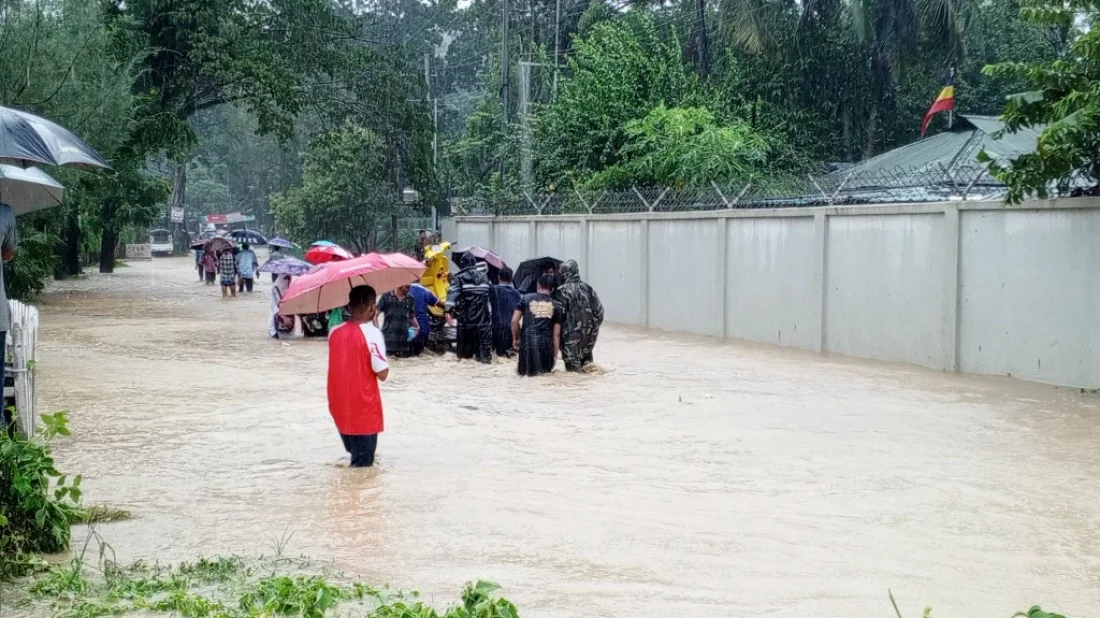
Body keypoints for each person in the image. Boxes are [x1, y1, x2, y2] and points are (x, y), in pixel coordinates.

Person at [327, 285, 390, 468]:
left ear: (349, 306)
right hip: (363, 412)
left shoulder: (334, 332)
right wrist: (377, 332)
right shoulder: (373, 334)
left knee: (355, 461)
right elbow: (383, 373)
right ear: (372, 308)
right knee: (362, 471)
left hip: (341, 409)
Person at [554, 259, 604, 372]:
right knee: (588, 371)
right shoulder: (589, 289)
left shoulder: (561, 291)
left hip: (570, 343)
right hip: (589, 341)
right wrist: (592, 330)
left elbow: (557, 317)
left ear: (565, 273)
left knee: (572, 378)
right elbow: (600, 313)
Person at [445, 253, 492, 363]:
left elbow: (452, 295)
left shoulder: (459, 278)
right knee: (485, 358)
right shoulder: (485, 277)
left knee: (465, 358)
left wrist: (447, 310)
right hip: (484, 323)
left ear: (462, 264)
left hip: (467, 322)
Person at [512, 274, 561, 377]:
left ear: (538, 285)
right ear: (551, 289)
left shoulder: (525, 299)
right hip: (546, 348)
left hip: (527, 345)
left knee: (524, 377)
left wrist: (515, 339)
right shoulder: (556, 306)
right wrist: (555, 356)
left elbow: (514, 322)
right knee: (544, 379)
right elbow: (556, 335)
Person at [377, 285, 419, 357]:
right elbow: (374, 314)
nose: (407, 289)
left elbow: (411, 316)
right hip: (388, 340)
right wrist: (377, 330)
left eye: (409, 288)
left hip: (403, 341)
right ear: (400, 283)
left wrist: (417, 327)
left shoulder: (410, 299)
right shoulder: (387, 296)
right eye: (406, 287)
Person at [489, 267, 521, 357]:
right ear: (511, 278)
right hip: (511, 331)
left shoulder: (493, 290)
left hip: (496, 329)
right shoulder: (517, 293)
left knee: (497, 354)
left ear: (499, 277)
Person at [407, 282, 441, 356]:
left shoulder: (401, 290)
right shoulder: (425, 291)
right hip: (422, 330)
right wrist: (449, 308)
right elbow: (438, 303)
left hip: (404, 329)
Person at [268, 275, 295, 339]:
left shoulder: (293, 288)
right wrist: (283, 317)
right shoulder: (275, 288)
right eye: (285, 278)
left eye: (289, 278)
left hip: (289, 322)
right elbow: (273, 305)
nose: (287, 280)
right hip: (276, 321)